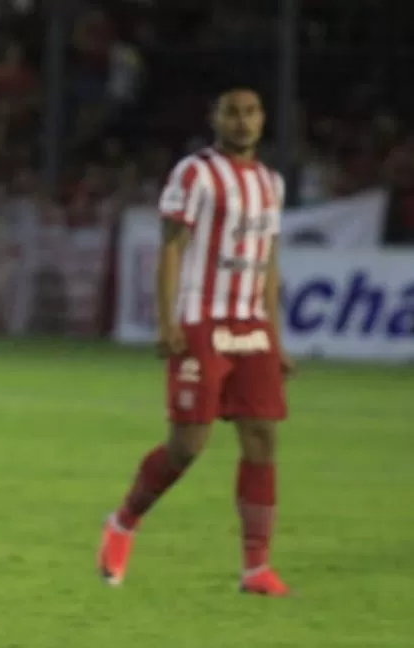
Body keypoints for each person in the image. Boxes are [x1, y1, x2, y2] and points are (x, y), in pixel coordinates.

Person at [96, 85, 292, 597]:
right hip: (202, 321)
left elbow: (269, 261)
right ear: (215, 118)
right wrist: (168, 321)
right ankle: (123, 521)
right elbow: (170, 248)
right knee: (188, 445)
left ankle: (256, 568)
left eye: (251, 112)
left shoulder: (270, 183)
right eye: (233, 112)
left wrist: (274, 333)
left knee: (262, 438)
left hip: (250, 325)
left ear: (263, 118)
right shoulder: (195, 173)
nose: (243, 122)